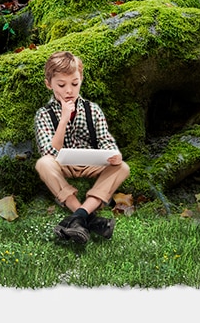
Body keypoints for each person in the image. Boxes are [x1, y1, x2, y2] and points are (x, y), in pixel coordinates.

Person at [33, 51, 129, 243]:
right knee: (43, 163)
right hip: (62, 165)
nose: (69, 90)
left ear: (81, 80)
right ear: (48, 84)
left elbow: (105, 140)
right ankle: (89, 219)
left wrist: (114, 154)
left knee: (123, 167)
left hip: (90, 163)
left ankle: (78, 216)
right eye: (61, 85)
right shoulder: (43, 114)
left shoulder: (92, 109)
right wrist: (63, 120)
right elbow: (49, 152)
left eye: (74, 84)